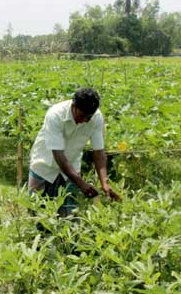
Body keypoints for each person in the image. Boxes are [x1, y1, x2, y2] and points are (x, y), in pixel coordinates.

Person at [28, 87, 120, 217]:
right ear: (74, 106)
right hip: (44, 167)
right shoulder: (55, 114)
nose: (85, 121)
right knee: (37, 214)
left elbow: (99, 152)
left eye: (89, 117)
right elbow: (58, 155)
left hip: (71, 169)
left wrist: (104, 183)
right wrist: (81, 183)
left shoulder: (96, 118)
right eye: (82, 116)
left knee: (69, 217)